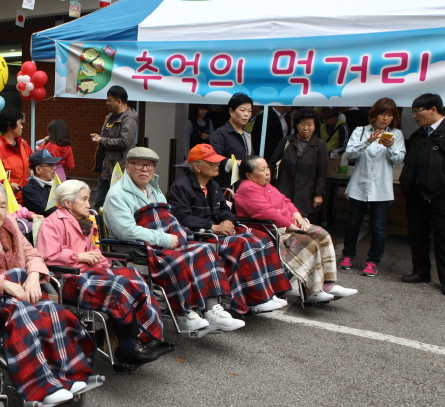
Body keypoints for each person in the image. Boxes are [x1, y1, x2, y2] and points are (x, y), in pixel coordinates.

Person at [0, 181, 95, 405]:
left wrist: (34, 276)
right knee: (26, 314)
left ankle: (67, 375)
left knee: (53, 310)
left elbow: (33, 254)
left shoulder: (10, 225)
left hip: (21, 291)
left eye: (2, 206)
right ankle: (42, 386)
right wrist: (3, 283)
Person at [104, 147, 244, 331]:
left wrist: (180, 233)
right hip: (138, 248)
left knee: (205, 249)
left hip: (164, 241)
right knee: (177, 259)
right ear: (127, 166)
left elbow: (168, 218)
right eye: (139, 164)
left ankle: (212, 310)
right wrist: (165, 239)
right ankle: (184, 313)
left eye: (150, 166)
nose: (145, 170)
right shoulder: (117, 195)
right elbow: (126, 231)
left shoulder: (154, 190)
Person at [37, 180, 174, 366]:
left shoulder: (84, 222)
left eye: (88, 199)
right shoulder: (52, 222)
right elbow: (48, 256)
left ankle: (149, 337)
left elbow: (94, 250)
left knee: (132, 276)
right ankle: (127, 347)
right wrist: (80, 256)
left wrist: (104, 263)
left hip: (91, 273)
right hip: (69, 278)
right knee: (120, 285)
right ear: (68, 203)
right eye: (84, 199)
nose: (88, 204)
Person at [167, 144, 291, 315]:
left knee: (261, 237)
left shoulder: (213, 184)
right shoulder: (181, 187)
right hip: (200, 235)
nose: (217, 166)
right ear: (197, 166)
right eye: (212, 163)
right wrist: (214, 227)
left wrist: (227, 221)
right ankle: (256, 298)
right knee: (242, 243)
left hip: (219, 230)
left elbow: (225, 209)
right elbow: (182, 218)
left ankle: (270, 291)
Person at [235, 156, 357, 303]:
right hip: (273, 231)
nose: (268, 172)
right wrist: (291, 226)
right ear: (249, 175)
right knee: (309, 243)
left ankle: (327, 284)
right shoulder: (247, 188)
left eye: (267, 168)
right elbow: (265, 212)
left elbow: (285, 200)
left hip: (289, 225)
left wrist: (297, 215)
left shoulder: (267, 186)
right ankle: (311, 289)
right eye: (262, 169)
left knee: (322, 236)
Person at [339, 99, 406, 277]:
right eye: (383, 114)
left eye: (390, 115)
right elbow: (350, 154)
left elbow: (399, 160)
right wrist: (368, 141)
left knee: (378, 226)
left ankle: (373, 261)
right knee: (353, 223)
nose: (385, 118)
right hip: (359, 185)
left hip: (381, 188)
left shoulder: (396, 134)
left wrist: (391, 148)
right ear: (374, 114)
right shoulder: (360, 131)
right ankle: (348, 255)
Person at [399, 93, 445, 288]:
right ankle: (421, 271)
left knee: (442, 236)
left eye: (418, 111)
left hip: (440, 193)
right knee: (417, 233)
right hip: (417, 191)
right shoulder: (418, 135)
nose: (415, 116)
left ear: (433, 109)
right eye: (413, 112)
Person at [268, 108, 328, 223]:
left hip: (307, 194)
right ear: (296, 124)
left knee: (306, 229)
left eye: (310, 125)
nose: (306, 128)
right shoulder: (286, 141)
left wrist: (318, 194)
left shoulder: (320, 145)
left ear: (315, 126)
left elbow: (322, 172)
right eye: (303, 124)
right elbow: (272, 163)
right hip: (285, 191)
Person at [91, 85, 137, 209]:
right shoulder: (111, 116)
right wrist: (99, 137)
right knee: (100, 204)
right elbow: (106, 135)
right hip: (106, 167)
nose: (107, 103)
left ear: (119, 101)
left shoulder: (129, 119)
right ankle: (98, 227)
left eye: (109, 100)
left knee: (114, 204)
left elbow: (124, 142)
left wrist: (102, 140)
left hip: (118, 169)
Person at [0, 108, 32, 204]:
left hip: (27, 198)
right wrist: (8, 186)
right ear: (9, 125)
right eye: (19, 123)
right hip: (7, 200)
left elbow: (33, 162)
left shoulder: (23, 143)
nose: (22, 127)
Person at [210, 92, 254, 189]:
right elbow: (215, 158)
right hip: (225, 187)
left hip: (245, 186)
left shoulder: (247, 135)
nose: (246, 114)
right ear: (231, 111)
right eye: (242, 110)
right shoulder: (220, 134)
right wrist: (237, 163)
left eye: (249, 111)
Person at [21, 149, 61, 217]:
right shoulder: (30, 190)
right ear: (38, 169)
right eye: (50, 165)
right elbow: (49, 210)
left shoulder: (55, 183)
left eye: (54, 164)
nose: (54, 168)